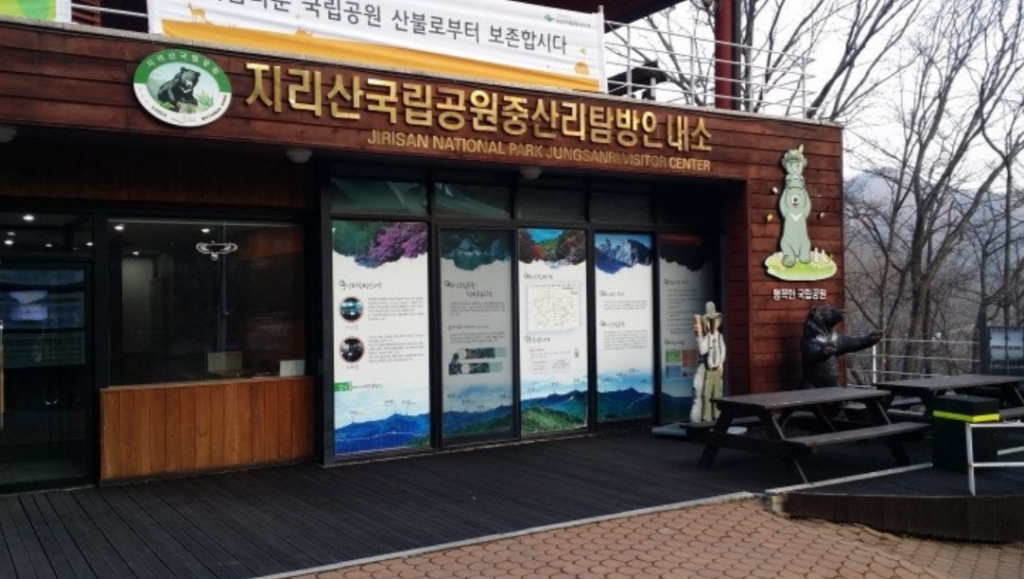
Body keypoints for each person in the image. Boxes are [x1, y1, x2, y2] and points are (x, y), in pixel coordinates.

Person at [690, 302, 726, 422]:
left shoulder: (719, 336)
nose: (712, 323)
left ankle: (717, 416)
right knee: (706, 394)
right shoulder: (707, 338)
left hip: (717, 370)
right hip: (709, 370)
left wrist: (721, 362)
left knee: (717, 394)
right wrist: (699, 336)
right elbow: (702, 350)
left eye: (714, 320)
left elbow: (722, 350)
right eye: (710, 321)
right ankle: (706, 417)